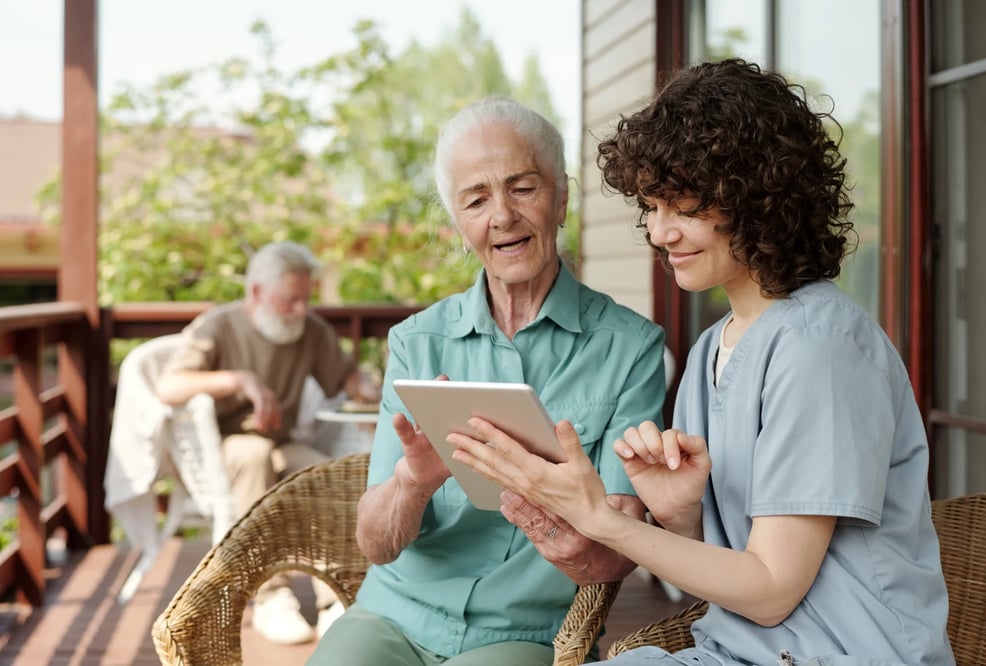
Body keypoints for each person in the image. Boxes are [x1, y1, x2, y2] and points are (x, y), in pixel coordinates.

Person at [449, 60, 955, 665]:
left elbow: (770, 591)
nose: (660, 233)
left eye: (683, 207)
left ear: (759, 197)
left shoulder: (821, 347)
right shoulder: (712, 351)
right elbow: (725, 576)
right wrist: (682, 515)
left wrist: (601, 520)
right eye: (652, 208)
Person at [307, 97, 667, 666]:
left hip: (523, 630)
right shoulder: (416, 341)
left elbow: (618, 550)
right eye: (476, 199)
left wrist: (567, 531)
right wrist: (413, 482)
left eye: (523, 188)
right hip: (395, 615)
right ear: (458, 223)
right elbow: (375, 544)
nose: (502, 215)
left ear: (563, 199)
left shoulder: (630, 348)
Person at [156, 240, 379, 645]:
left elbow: (348, 377)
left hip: (281, 442)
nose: (300, 310)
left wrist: (372, 389)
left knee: (320, 473)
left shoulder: (309, 330)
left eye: (304, 300)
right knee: (256, 456)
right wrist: (239, 380)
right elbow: (169, 386)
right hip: (224, 447)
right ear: (257, 292)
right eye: (290, 300)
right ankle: (269, 597)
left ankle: (335, 598)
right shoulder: (218, 325)